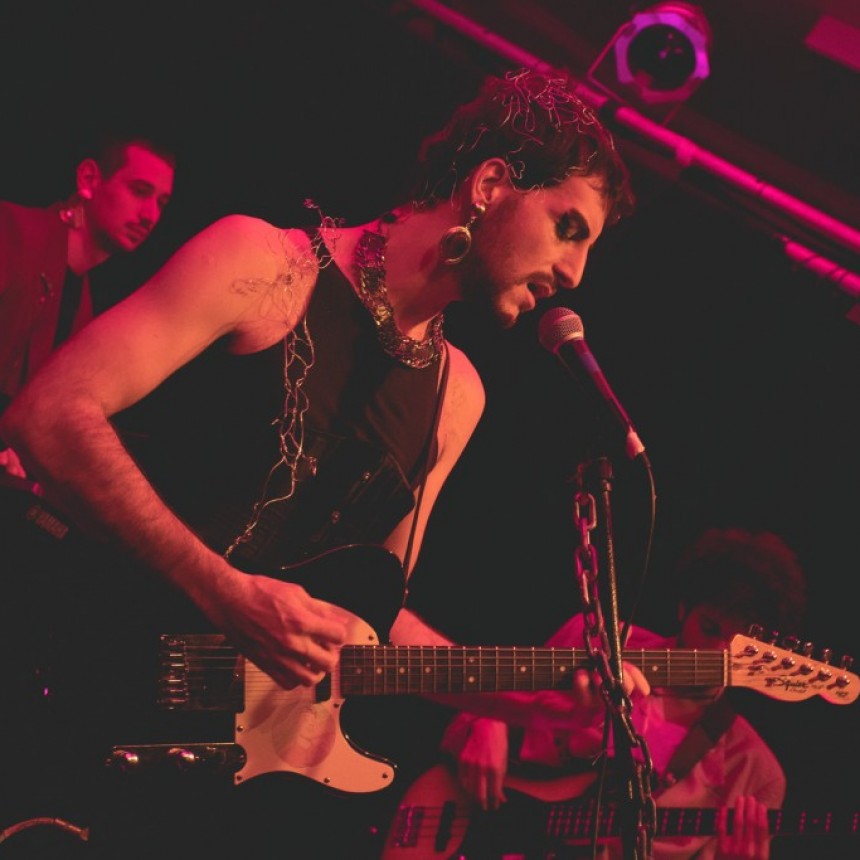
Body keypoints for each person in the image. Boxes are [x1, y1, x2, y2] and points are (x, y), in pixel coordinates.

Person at [0, 67, 646, 858]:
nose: (575, 273)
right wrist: (225, 592)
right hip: (54, 682)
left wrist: (529, 699)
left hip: (178, 787)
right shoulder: (264, 264)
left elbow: (369, 627)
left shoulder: (458, 397)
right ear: (489, 186)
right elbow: (49, 413)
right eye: (568, 227)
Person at [422, 527, 808, 859]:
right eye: (709, 628)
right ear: (682, 608)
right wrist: (483, 720)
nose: (717, 652)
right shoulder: (597, 642)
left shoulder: (755, 772)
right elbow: (481, 707)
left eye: (737, 645)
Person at [0, 131, 176, 478]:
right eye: (140, 191)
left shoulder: (84, 310)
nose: (150, 215)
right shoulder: (14, 232)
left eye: (162, 203)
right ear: (89, 178)